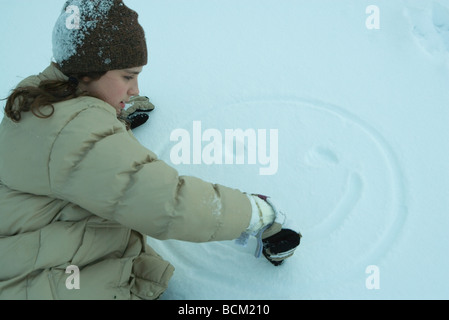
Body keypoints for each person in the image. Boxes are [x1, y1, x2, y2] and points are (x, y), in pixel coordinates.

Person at [0, 0, 300, 300]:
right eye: (128, 77)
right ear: (86, 72)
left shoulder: (40, 100)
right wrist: (257, 215)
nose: (135, 90)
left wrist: (112, 117)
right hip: (53, 284)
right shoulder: (77, 135)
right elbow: (166, 202)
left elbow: (80, 153)